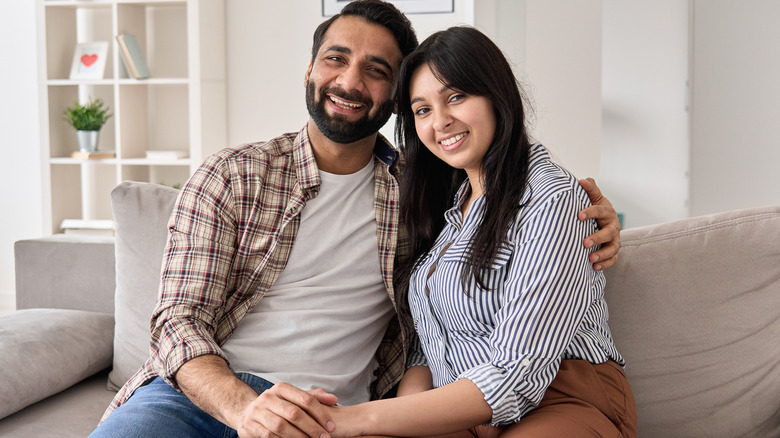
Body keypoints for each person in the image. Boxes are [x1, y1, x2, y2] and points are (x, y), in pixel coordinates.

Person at [90, 2, 623, 438]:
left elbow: (524, 208)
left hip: (328, 413)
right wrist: (243, 409)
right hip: (200, 400)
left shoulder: (419, 188)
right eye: (335, 59)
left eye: (376, 71)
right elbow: (176, 321)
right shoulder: (232, 176)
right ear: (309, 69)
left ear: (392, 100)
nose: (349, 81)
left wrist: (598, 217)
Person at [323, 25, 637, 437]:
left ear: (496, 95)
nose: (441, 122)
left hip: (559, 399)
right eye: (422, 110)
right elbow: (426, 347)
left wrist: (358, 418)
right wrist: (403, 420)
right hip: (460, 409)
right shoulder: (445, 206)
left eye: (456, 97)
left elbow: (516, 371)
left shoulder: (553, 198)